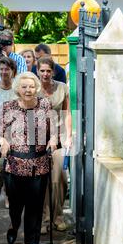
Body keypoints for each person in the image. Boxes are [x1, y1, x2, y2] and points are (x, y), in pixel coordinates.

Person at [0, 72, 58, 244]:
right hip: (14, 164)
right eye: (24, 87)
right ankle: (14, 225)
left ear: (36, 88)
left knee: (35, 205)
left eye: (31, 86)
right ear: (18, 89)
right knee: (15, 205)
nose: (28, 90)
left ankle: (32, 240)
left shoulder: (45, 105)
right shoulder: (8, 107)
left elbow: (53, 130)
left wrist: (53, 140)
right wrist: (2, 141)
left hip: (39, 162)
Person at [36, 57, 72, 234]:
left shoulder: (62, 88)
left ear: (53, 71)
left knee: (59, 178)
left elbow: (67, 113)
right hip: (39, 140)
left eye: (48, 71)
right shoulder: (33, 89)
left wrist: (69, 136)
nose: (45, 74)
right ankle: (44, 219)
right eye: (42, 70)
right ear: (38, 71)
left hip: (58, 138)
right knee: (42, 180)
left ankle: (58, 216)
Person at [0, 57, 18, 208]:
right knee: (2, 163)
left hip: (16, 130)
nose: (4, 72)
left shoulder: (18, 88)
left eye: (7, 69)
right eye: (1, 69)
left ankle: (11, 193)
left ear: (13, 71)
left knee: (15, 165)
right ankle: (6, 192)